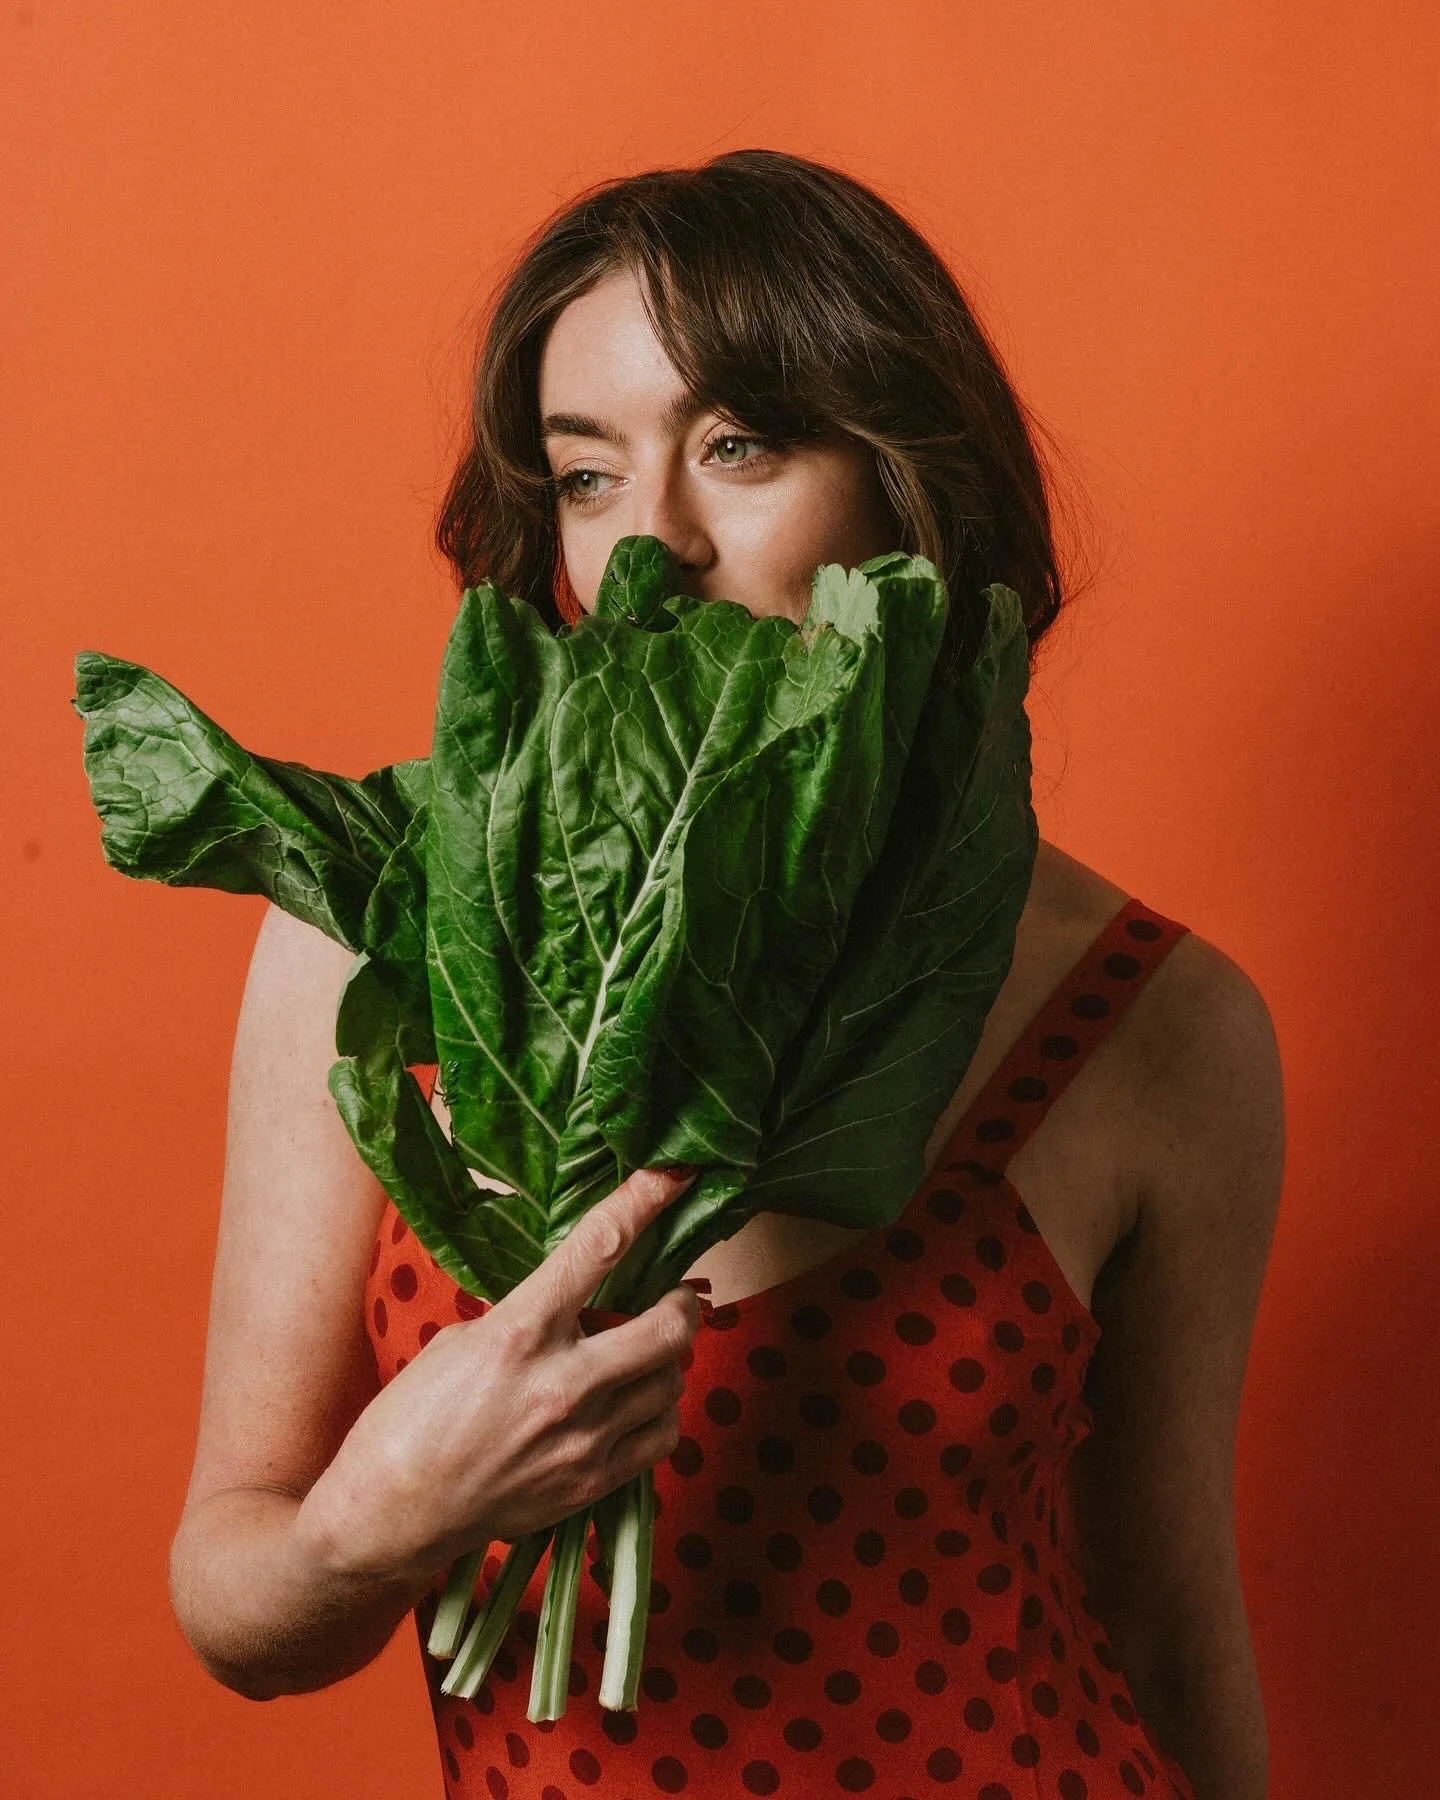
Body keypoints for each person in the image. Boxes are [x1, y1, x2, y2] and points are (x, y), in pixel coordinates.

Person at [168, 150, 1282, 1800]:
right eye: (587, 475)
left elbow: (1167, 1620)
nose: (652, 546)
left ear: (910, 483)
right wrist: (374, 1524)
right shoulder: (368, 932)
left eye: (741, 448)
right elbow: (242, 1606)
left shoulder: (1160, 1022)